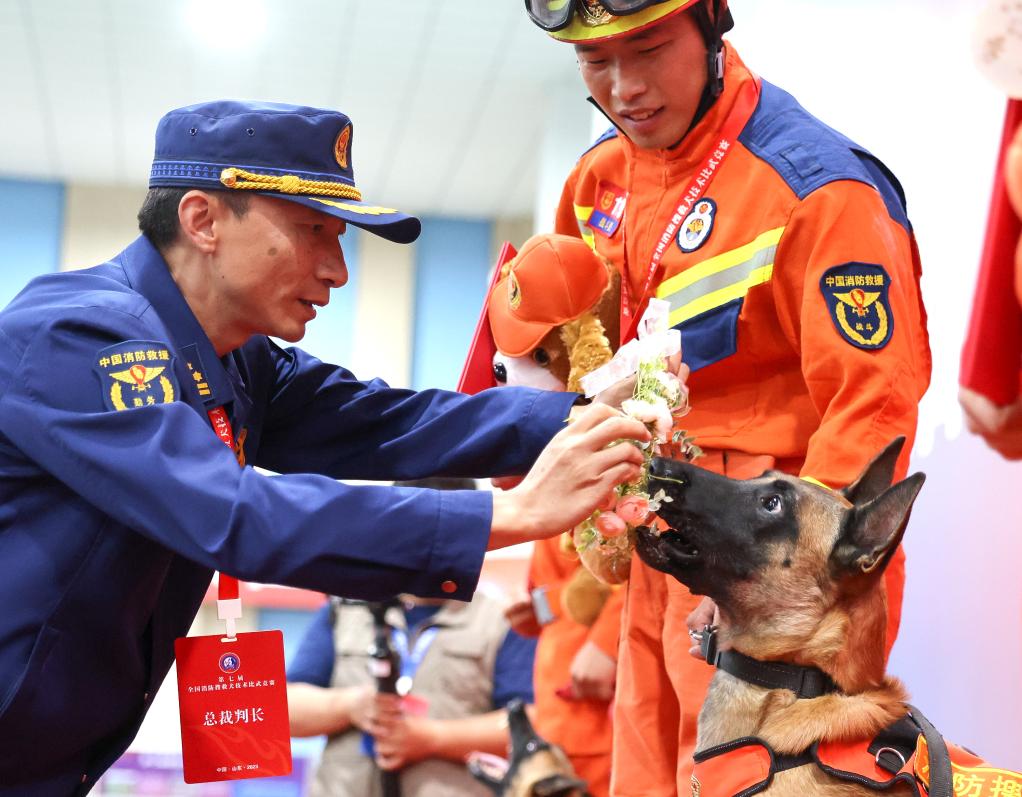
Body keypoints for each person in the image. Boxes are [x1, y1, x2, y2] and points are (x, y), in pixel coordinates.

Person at [0, 100, 654, 796]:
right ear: (202, 220)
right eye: (314, 230)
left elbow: (385, 422)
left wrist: (580, 415)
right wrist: (510, 514)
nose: (338, 270)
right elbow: (239, 515)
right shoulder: (78, 337)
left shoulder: (238, 362)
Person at [524, 1, 931, 794]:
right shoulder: (596, 178)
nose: (624, 86)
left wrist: (765, 593)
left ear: (713, 22)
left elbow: (872, 409)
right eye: (594, 61)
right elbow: (578, 355)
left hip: (769, 571)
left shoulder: (818, 187)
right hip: (657, 547)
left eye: (647, 48)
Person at [288, 477, 538, 797]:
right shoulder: (346, 609)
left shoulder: (503, 619)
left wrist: (433, 738)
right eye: (415, 528)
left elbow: (530, 724)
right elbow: (287, 707)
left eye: (450, 531)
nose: (431, 544)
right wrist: (349, 705)